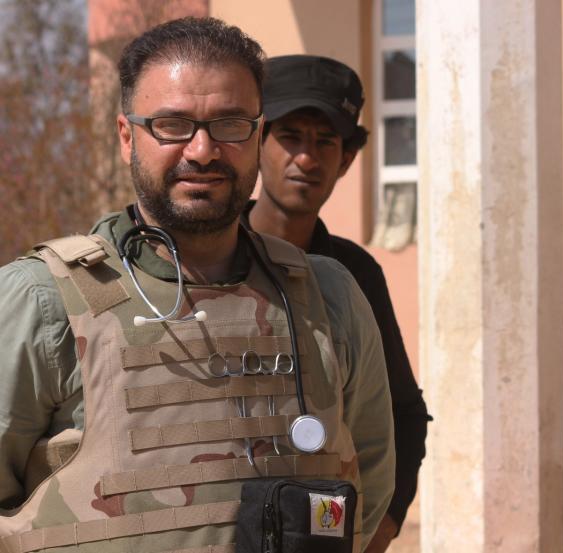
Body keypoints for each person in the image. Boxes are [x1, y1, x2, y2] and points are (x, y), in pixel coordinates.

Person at [0, 17, 394, 552]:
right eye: (172, 124)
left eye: (230, 124)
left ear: (257, 135)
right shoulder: (41, 300)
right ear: (126, 137)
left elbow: (366, 491)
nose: (203, 150)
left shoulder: (328, 296)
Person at [246, 54, 430, 552]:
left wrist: (384, 525)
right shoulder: (209, 257)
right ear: (256, 142)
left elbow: (404, 413)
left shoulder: (353, 276)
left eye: (325, 142)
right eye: (291, 137)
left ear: (347, 159)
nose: (307, 158)